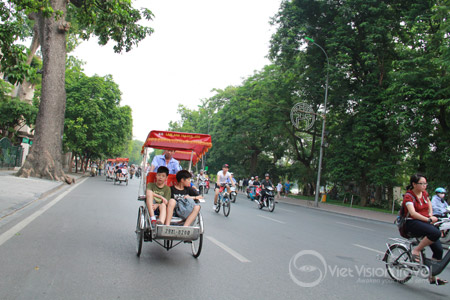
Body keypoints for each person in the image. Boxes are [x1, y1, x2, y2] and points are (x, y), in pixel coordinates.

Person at [402, 174, 447, 285]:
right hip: (411, 223)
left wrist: (431, 215)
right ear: (414, 184)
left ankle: (432, 277)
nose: (424, 186)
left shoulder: (425, 194)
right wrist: (428, 220)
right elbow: (412, 213)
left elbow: (429, 205)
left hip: (424, 222)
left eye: (425, 183)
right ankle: (416, 250)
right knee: (435, 233)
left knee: (439, 250)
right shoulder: (409, 196)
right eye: (421, 183)